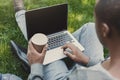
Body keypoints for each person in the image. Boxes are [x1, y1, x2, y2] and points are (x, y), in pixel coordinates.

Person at [27, 0, 120, 80]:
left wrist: (36, 67)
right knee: (90, 28)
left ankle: (35, 57)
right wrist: (86, 60)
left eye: (96, 19)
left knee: (47, 52)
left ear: (104, 30)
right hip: (90, 68)